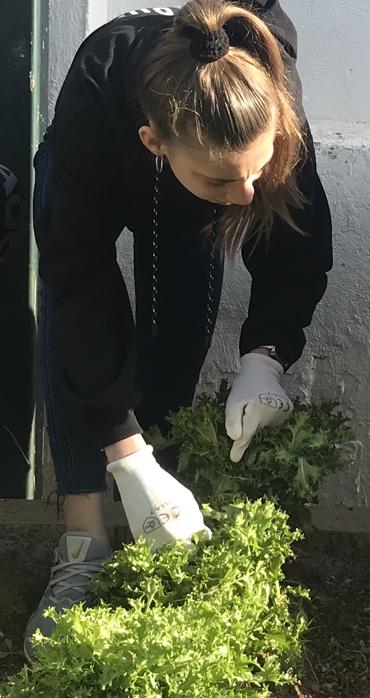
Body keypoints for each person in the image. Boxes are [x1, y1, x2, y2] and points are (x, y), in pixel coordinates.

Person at [25, 0, 332, 661]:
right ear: (154, 143)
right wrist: (121, 451)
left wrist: (266, 356)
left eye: (258, 168)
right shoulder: (98, 116)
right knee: (71, 314)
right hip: (99, 162)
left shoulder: (268, 112)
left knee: (183, 320)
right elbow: (81, 287)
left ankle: (155, 529)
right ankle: (85, 537)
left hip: (190, 176)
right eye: (228, 179)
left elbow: (297, 242)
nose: (248, 193)